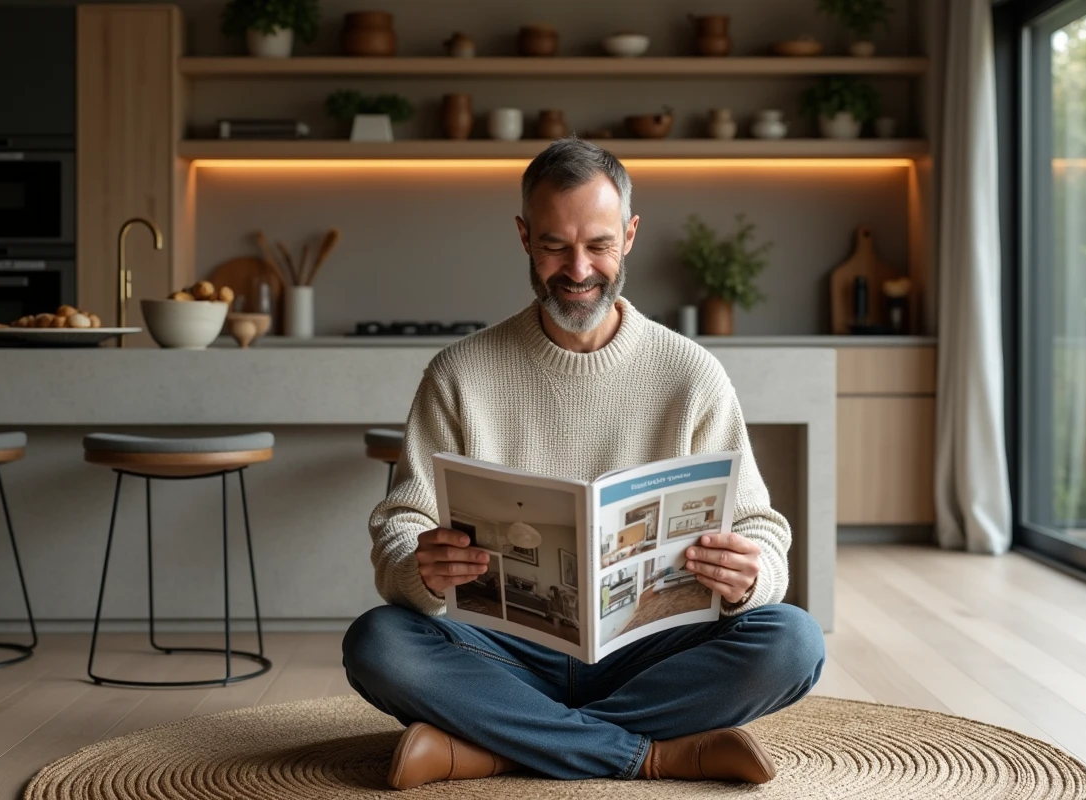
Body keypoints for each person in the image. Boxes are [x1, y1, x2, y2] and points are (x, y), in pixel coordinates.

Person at [342, 137, 826, 791]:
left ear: (628, 236)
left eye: (597, 244)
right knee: (378, 645)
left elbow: (762, 530)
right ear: (523, 237)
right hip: (506, 651)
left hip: (650, 653)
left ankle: (499, 745)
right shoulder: (461, 374)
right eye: (553, 245)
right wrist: (419, 568)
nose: (577, 269)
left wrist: (750, 575)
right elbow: (400, 527)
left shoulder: (690, 374)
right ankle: (650, 755)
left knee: (792, 642)